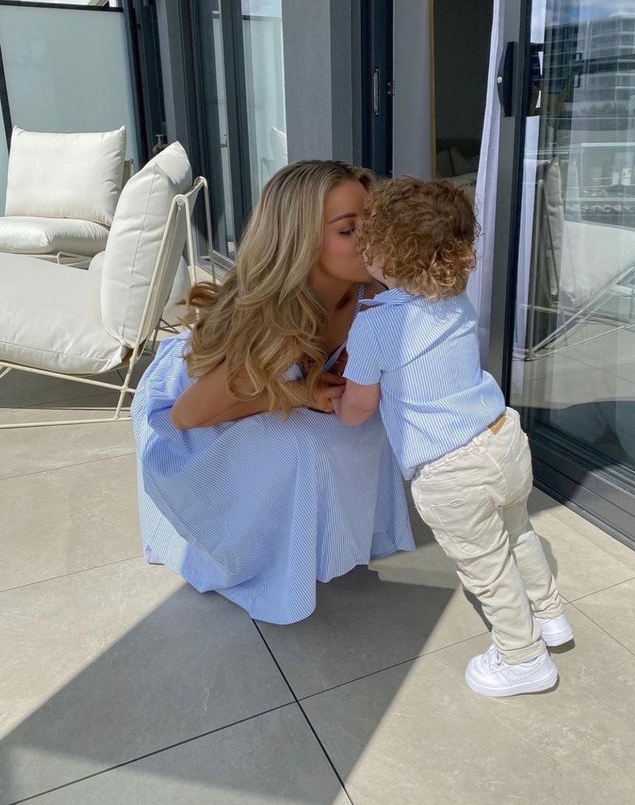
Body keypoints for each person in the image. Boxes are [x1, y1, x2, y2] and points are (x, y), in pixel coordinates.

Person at [132, 160, 414, 625]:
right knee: (301, 447)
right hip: (189, 402)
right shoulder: (275, 320)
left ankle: (324, 543)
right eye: (348, 230)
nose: (370, 239)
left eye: (373, 223)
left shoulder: (368, 288)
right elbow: (186, 415)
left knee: (364, 426)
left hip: (262, 383)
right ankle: (257, 556)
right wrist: (300, 394)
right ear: (300, 240)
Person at [332, 176, 573, 697]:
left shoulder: (375, 327)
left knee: (487, 569)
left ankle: (524, 658)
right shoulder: (456, 301)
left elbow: (359, 408)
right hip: (503, 439)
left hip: (450, 472)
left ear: (384, 255)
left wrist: (335, 403)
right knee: (518, 533)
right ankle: (551, 616)